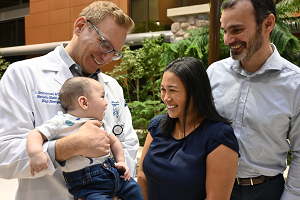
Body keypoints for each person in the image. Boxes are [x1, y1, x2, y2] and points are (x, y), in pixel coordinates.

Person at [0, 1, 139, 200]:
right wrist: (68, 147)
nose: (107, 58)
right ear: (80, 26)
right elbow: (3, 155)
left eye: (115, 52)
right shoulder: (23, 74)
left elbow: (127, 142)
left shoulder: (112, 87)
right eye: (105, 45)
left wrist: (117, 187)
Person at [206, 0, 300, 199]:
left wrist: (291, 196)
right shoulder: (213, 73)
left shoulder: (296, 84)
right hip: (214, 187)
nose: (227, 40)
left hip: (266, 191)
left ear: (268, 24)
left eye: (237, 30)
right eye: (224, 30)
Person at [137, 57, 239, 200]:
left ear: (195, 93)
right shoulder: (157, 125)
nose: (166, 98)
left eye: (172, 90)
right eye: (163, 90)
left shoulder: (218, 136)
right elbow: (141, 176)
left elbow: (215, 198)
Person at [26, 77, 143, 200]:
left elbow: (114, 141)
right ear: (84, 102)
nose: (106, 102)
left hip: (112, 173)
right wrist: (36, 154)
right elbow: (36, 134)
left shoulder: (99, 123)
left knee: (134, 190)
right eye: (102, 97)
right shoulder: (61, 121)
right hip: (88, 185)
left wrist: (121, 161)